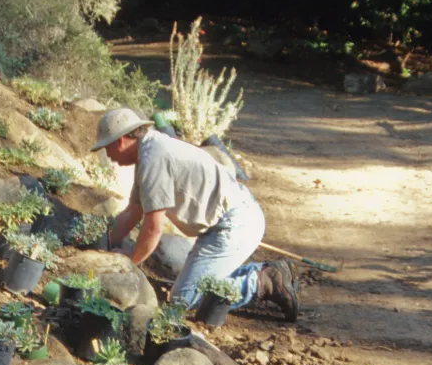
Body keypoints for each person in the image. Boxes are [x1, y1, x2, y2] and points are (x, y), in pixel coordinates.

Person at [91, 107, 298, 319]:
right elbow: (133, 213)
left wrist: (129, 264)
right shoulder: (150, 150)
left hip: (234, 224)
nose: (108, 155)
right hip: (230, 219)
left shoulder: (154, 158)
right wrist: (103, 243)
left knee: (183, 299)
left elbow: (153, 228)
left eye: (107, 148)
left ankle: (262, 281)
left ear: (120, 141)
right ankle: (267, 270)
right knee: (193, 287)